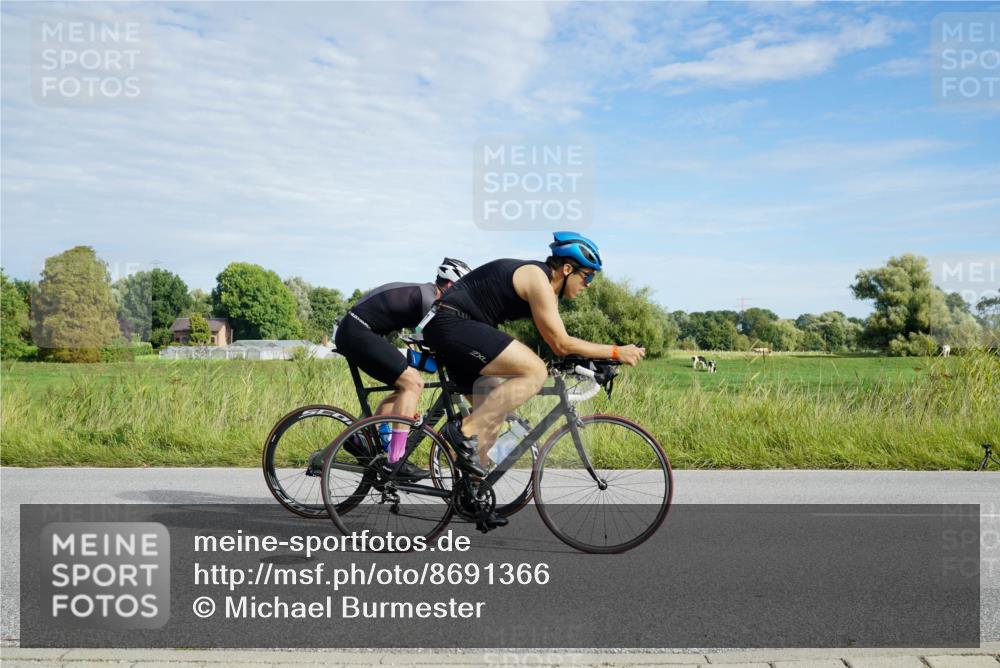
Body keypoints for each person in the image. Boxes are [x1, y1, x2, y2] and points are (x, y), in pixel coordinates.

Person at [422, 232, 645, 495]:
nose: (589, 285)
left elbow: (557, 341)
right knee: (534, 371)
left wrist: (594, 360)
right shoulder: (537, 279)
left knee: (493, 409)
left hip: (458, 328)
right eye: (588, 276)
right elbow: (560, 343)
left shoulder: (547, 291)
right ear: (567, 268)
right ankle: (462, 432)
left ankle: (472, 495)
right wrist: (617, 351)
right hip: (452, 323)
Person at [332, 257, 472, 479]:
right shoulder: (427, 300)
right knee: (413, 384)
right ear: (450, 285)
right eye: (460, 290)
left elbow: (432, 347)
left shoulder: (426, 295)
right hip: (357, 332)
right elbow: (444, 341)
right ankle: (396, 460)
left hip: (359, 331)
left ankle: (361, 437)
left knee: (404, 387)